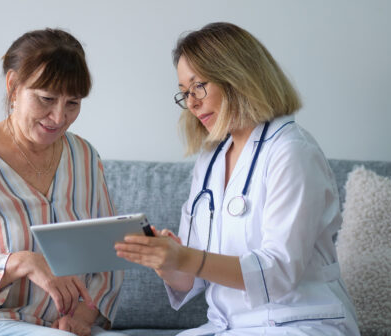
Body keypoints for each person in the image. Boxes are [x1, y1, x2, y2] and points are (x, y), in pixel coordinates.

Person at [115, 22, 360, 335]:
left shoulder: (292, 151)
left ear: (237, 76)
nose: (191, 103)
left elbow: (280, 271)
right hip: (229, 327)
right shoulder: (210, 160)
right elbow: (192, 277)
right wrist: (166, 261)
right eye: (184, 94)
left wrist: (187, 256)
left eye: (198, 86)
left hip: (300, 321)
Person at [0, 28, 124, 336]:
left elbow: (107, 255)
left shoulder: (84, 157)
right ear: (13, 86)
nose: (59, 117)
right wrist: (21, 263)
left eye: (73, 103)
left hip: (55, 328)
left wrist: (83, 315)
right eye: (46, 99)